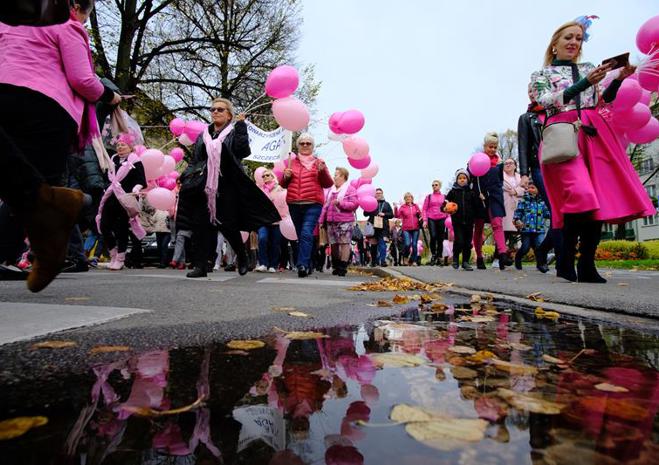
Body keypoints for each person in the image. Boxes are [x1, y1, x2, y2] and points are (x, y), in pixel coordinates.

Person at [0, 0, 123, 291]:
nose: (83, 21)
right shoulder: (67, 26)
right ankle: (47, 220)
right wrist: (110, 96)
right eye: (85, 16)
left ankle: (22, 243)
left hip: (8, 98)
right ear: (76, 7)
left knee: (21, 185)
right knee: (32, 186)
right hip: (48, 110)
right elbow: (82, 78)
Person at [530, 19, 655, 283]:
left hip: (593, 133)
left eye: (578, 38)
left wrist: (619, 79)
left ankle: (587, 263)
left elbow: (601, 101)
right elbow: (544, 101)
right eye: (568, 37)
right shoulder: (541, 75)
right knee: (581, 194)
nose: (574, 42)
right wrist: (584, 82)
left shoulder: (588, 68)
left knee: (597, 198)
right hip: (563, 135)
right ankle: (565, 260)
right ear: (554, 44)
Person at [178, 97, 279, 278]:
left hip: (228, 185)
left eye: (220, 109)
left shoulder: (234, 131)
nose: (215, 112)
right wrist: (185, 175)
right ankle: (201, 265)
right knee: (201, 225)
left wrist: (241, 127)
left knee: (227, 224)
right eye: (213, 109)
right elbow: (195, 160)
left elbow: (242, 151)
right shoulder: (203, 135)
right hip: (204, 185)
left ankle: (242, 255)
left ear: (229, 115)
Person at [518, 87, 562, 271]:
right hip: (539, 167)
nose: (532, 93)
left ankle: (542, 250)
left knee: (563, 212)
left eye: (535, 88)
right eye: (529, 90)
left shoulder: (558, 111)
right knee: (555, 210)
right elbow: (523, 147)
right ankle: (561, 258)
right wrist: (524, 173)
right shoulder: (526, 118)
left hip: (561, 165)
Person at [281, 133, 333, 278]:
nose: (305, 145)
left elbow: (328, 183)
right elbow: (283, 184)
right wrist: (285, 176)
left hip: (313, 203)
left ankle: (302, 265)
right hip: (294, 203)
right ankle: (308, 263)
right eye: (302, 143)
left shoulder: (319, 162)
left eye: (308, 143)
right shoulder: (291, 163)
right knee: (301, 235)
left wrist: (322, 172)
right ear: (297, 146)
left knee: (306, 233)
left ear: (312, 146)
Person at [96, 133, 146, 271]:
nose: (120, 147)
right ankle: (113, 255)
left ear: (130, 147)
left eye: (123, 145)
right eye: (118, 145)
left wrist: (136, 188)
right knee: (104, 226)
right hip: (111, 196)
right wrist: (106, 187)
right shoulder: (112, 160)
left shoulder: (136, 161)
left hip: (126, 198)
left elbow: (141, 180)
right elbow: (107, 177)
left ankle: (120, 258)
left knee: (121, 228)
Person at [470, 132, 511, 270]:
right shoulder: (476, 160)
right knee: (479, 227)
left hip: (495, 197)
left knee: (497, 224)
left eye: (495, 147)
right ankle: (479, 257)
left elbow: (500, 180)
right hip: (480, 197)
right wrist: (477, 193)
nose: (493, 149)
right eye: (490, 147)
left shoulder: (499, 163)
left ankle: (502, 254)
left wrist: (497, 192)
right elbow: (471, 178)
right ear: (485, 146)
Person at [319, 167, 359, 277]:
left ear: (343, 176)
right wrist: (321, 220)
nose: (334, 177)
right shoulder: (331, 190)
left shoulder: (350, 189)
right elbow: (325, 206)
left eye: (336, 175)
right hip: (331, 221)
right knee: (333, 244)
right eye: (334, 174)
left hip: (345, 221)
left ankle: (343, 267)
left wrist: (340, 203)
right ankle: (336, 265)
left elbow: (354, 204)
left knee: (345, 243)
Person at [513, 181, 551, 272]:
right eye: (528, 188)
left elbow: (547, 213)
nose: (530, 189)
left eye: (533, 188)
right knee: (525, 248)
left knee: (540, 246)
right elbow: (518, 212)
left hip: (539, 230)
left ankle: (541, 264)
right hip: (526, 229)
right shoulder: (524, 200)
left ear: (538, 189)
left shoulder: (542, 201)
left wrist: (552, 214)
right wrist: (517, 219)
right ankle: (518, 258)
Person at [445, 169, 479, 270]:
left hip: (469, 221)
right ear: (456, 180)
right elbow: (444, 204)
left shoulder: (471, 192)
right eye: (460, 178)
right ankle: (455, 258)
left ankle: (465, 262)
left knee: (467, 243)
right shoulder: (452, 192)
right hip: (457, 221)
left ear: (468, 180)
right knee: (459, 241)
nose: (462, 180)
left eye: (464, 178)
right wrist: (445, 208)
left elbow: (476, 206)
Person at [256, 169, 286, 273]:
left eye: (267, 175)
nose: (265, 177)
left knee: (275, 243)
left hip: (276, 220)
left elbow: (284, 203)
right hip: (263, 220)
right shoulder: (260, 189)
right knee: (262, 239)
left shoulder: (279, 188)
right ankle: (263, 263)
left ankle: (273, 265)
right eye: (263, 176)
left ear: (273, 176)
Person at [364, 188, 394, 267]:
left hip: (383, 228)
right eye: (377, 193)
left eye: (380, 193)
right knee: (373, 246)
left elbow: (391, 215)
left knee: (382, 244)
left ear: (382, 194)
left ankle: (383, 261)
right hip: (373, 227)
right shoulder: (371, 203)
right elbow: (365, 214)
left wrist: (384, 214)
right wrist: (368, 207)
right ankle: (373, 262)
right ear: (374, 194)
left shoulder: (386, 204)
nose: (378, 195)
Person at [422, 180, 448, 266]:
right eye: (432, 185)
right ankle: (433, 255)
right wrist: (425, 220)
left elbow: (447, 208)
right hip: (431, 218)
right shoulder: (429, 197)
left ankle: (439, 256)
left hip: (442, 218)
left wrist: (448, 218)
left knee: (440, 238)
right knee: (433, 236)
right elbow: (424, 209)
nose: (434, 186)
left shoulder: (444, 196)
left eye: (436, 185)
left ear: (440, 186)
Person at [502, 158, 524, 251]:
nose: (508, 165)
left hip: (518, 206)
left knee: (519, 231)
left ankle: (517, 254)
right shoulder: (500, 176)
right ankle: (499, 255)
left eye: (510, 163)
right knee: (504, 232)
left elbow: (525, 188)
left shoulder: (521, 177)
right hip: (505, 205)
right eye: (506, 163)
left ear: (515, 165)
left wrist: (516, 191)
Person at [394, 193, 422, 266]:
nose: (408, 198)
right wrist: (396, 208)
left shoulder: (415, 206)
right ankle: (406, 256)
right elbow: (397, 216)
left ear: (412, 198)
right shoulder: (403, 207)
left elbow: (420, 214)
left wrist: (421, 217)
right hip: (406, 229)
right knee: (407, 244)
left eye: (409, 197)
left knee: (414, 244)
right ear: (405, 199)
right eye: (406, 197)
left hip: (416, 228)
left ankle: (414, 260)